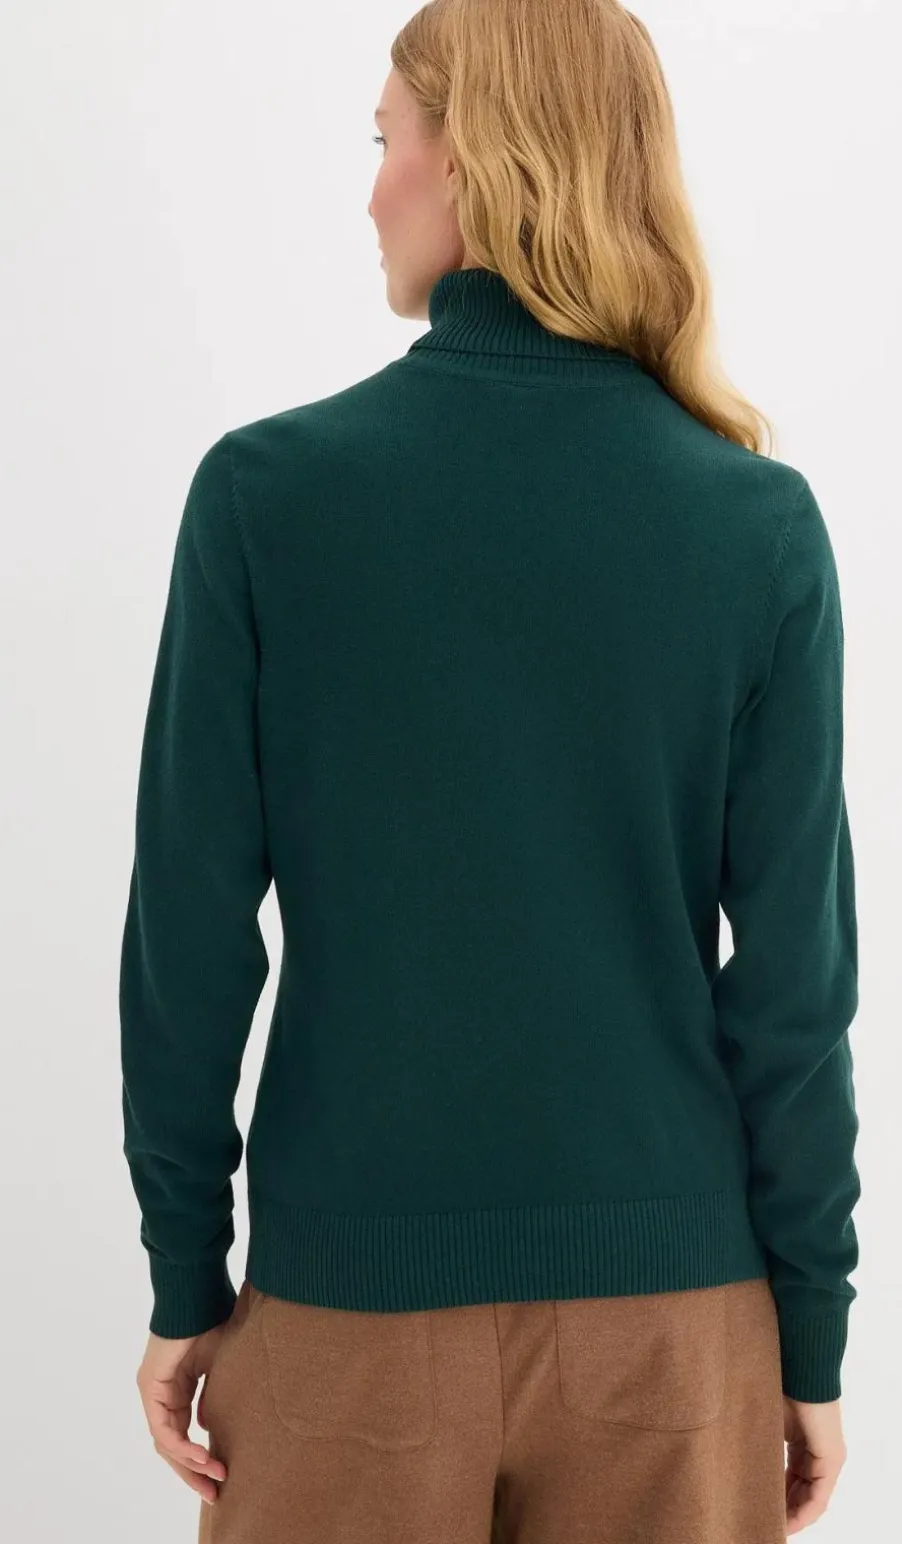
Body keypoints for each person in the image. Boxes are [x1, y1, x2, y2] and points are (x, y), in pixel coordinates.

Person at [121, 1, 861, 1539]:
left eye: (383, 139)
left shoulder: (268, 499)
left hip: (346, 1319)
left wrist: (187, 1277)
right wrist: (807, 1328)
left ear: (467, 161)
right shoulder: (753, 527)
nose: (369, 188)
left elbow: (187, 939)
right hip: (674, 1330)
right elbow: (793, 990)